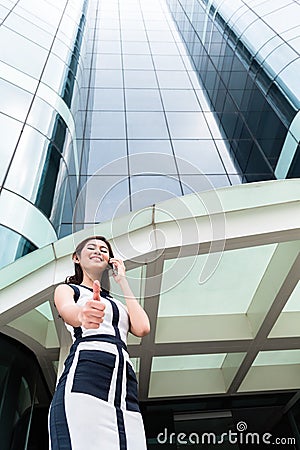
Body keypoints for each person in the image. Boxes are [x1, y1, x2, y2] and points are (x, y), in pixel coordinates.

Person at [49, 236, 150, 449]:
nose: (98, 251)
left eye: (104, 249)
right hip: (87, 372)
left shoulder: (118, 304)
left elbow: (142, 328)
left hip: (124, 385)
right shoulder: (68, 289)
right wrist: (82, 316)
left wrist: (122, 280)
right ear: (76, 257)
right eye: (91, 247)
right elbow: (68, 311)